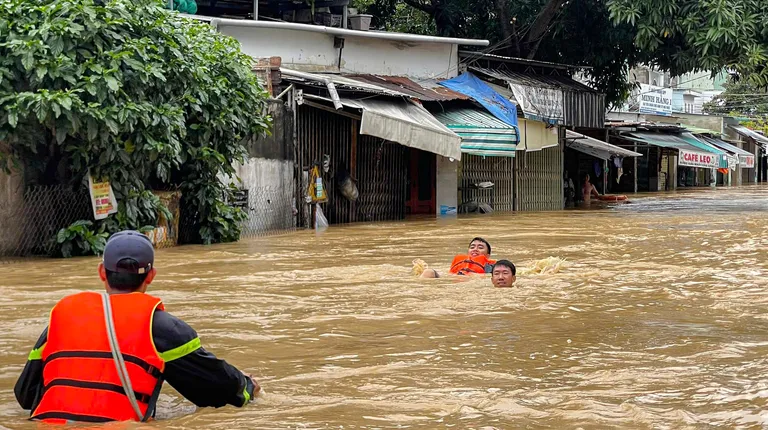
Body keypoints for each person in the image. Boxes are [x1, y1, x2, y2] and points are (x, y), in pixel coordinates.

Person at [14, 230, 259, 423]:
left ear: (102, 273)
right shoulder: (162, 327)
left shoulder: (61, 318)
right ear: (151, 276)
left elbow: (25, 395)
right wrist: (248, 386)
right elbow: (218, 391)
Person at [420, 237, 496, 278]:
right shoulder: (459, 262)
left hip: (472, 282)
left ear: (487, 256)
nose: (475, 249)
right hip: (453, 280)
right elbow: (448, 275)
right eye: (472, 247)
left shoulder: (491, 267)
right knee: (428, 272)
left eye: (480, 247)